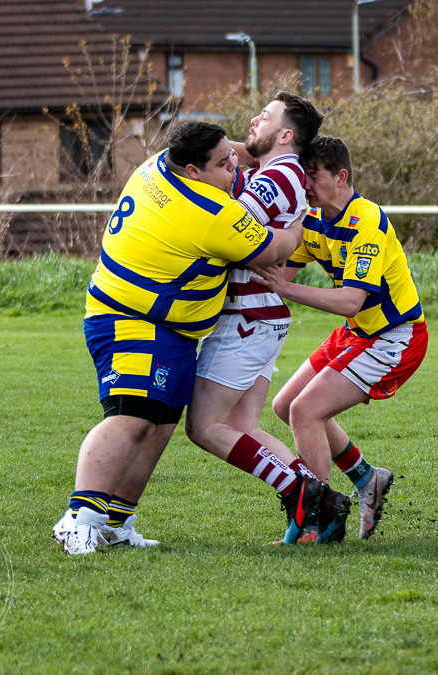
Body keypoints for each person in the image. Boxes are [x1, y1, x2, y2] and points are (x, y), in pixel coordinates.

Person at [54, 121, 307, 554]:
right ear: (193, 170)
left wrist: (247, 154)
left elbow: (228, 163)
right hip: (131, 321)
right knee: (131, 418)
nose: (235, 166)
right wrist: (301, 216)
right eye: (223, 162)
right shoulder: (212, 211)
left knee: (160, 425)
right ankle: (78, 518)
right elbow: (274, 249)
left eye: (233, 155)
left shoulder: (157, 165)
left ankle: (117, 522)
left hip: (164, 326)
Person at [182, 92, 337, 544]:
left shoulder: (277, 175)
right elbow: (240, 154)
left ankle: (314, 498)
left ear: (286, 134)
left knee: (203, 427)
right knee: (241, 428)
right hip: (258, 318)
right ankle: (315, 516)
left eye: (265, 116)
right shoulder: (277, 170)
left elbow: (232, 231)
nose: (254, 119)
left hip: (247, 320)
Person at [258, 135, 429, 541]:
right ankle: (366, 478)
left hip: (395, 335)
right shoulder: (312, 218)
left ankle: (319, 520)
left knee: (304, 412)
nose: (305, 187)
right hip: (358, 333)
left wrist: (283, 291)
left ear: (341, 176)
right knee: (286, 406)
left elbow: (351, 300)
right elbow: (280, 273)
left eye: (313, 178)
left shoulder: (367, 222)